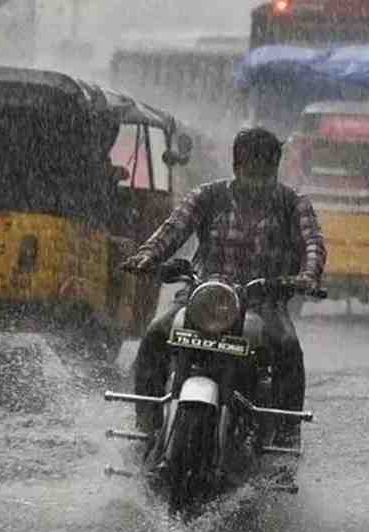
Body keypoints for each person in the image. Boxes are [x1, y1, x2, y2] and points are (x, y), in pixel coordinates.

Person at [121, 127, 326, 448]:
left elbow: (312, 243)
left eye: (265, 172)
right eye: (250, 170)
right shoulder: (207, 196)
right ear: (236, 166)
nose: (257, 180)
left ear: (276, 169)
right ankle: (145, 427)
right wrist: (147, 256)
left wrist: (308, 275)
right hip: (201, 296)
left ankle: (286, 441)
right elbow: (172, 230)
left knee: (288, 350)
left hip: (262, 304)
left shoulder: (293, 203)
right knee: (154, 337)